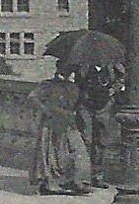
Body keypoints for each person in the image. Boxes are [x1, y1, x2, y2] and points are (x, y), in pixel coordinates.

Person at [27, 64, 93, 195]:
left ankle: (76, 180)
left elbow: (78, 104)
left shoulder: (73, 87)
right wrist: (46, 110)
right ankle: (51, 183)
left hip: (68, 121)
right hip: (52, 122)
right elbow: (32, 98)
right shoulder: (48, 85)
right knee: (51, 152)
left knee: (76, 149)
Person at [75, 63, 122, 189]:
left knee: (102, 142)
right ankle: (84, 176)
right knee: (86, 140)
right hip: (86, 106)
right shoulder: (83, 67)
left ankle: (98, 175)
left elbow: (121, 79)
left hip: (104, 107)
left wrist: (114, 89)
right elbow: (75, 84)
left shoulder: (113, 67)